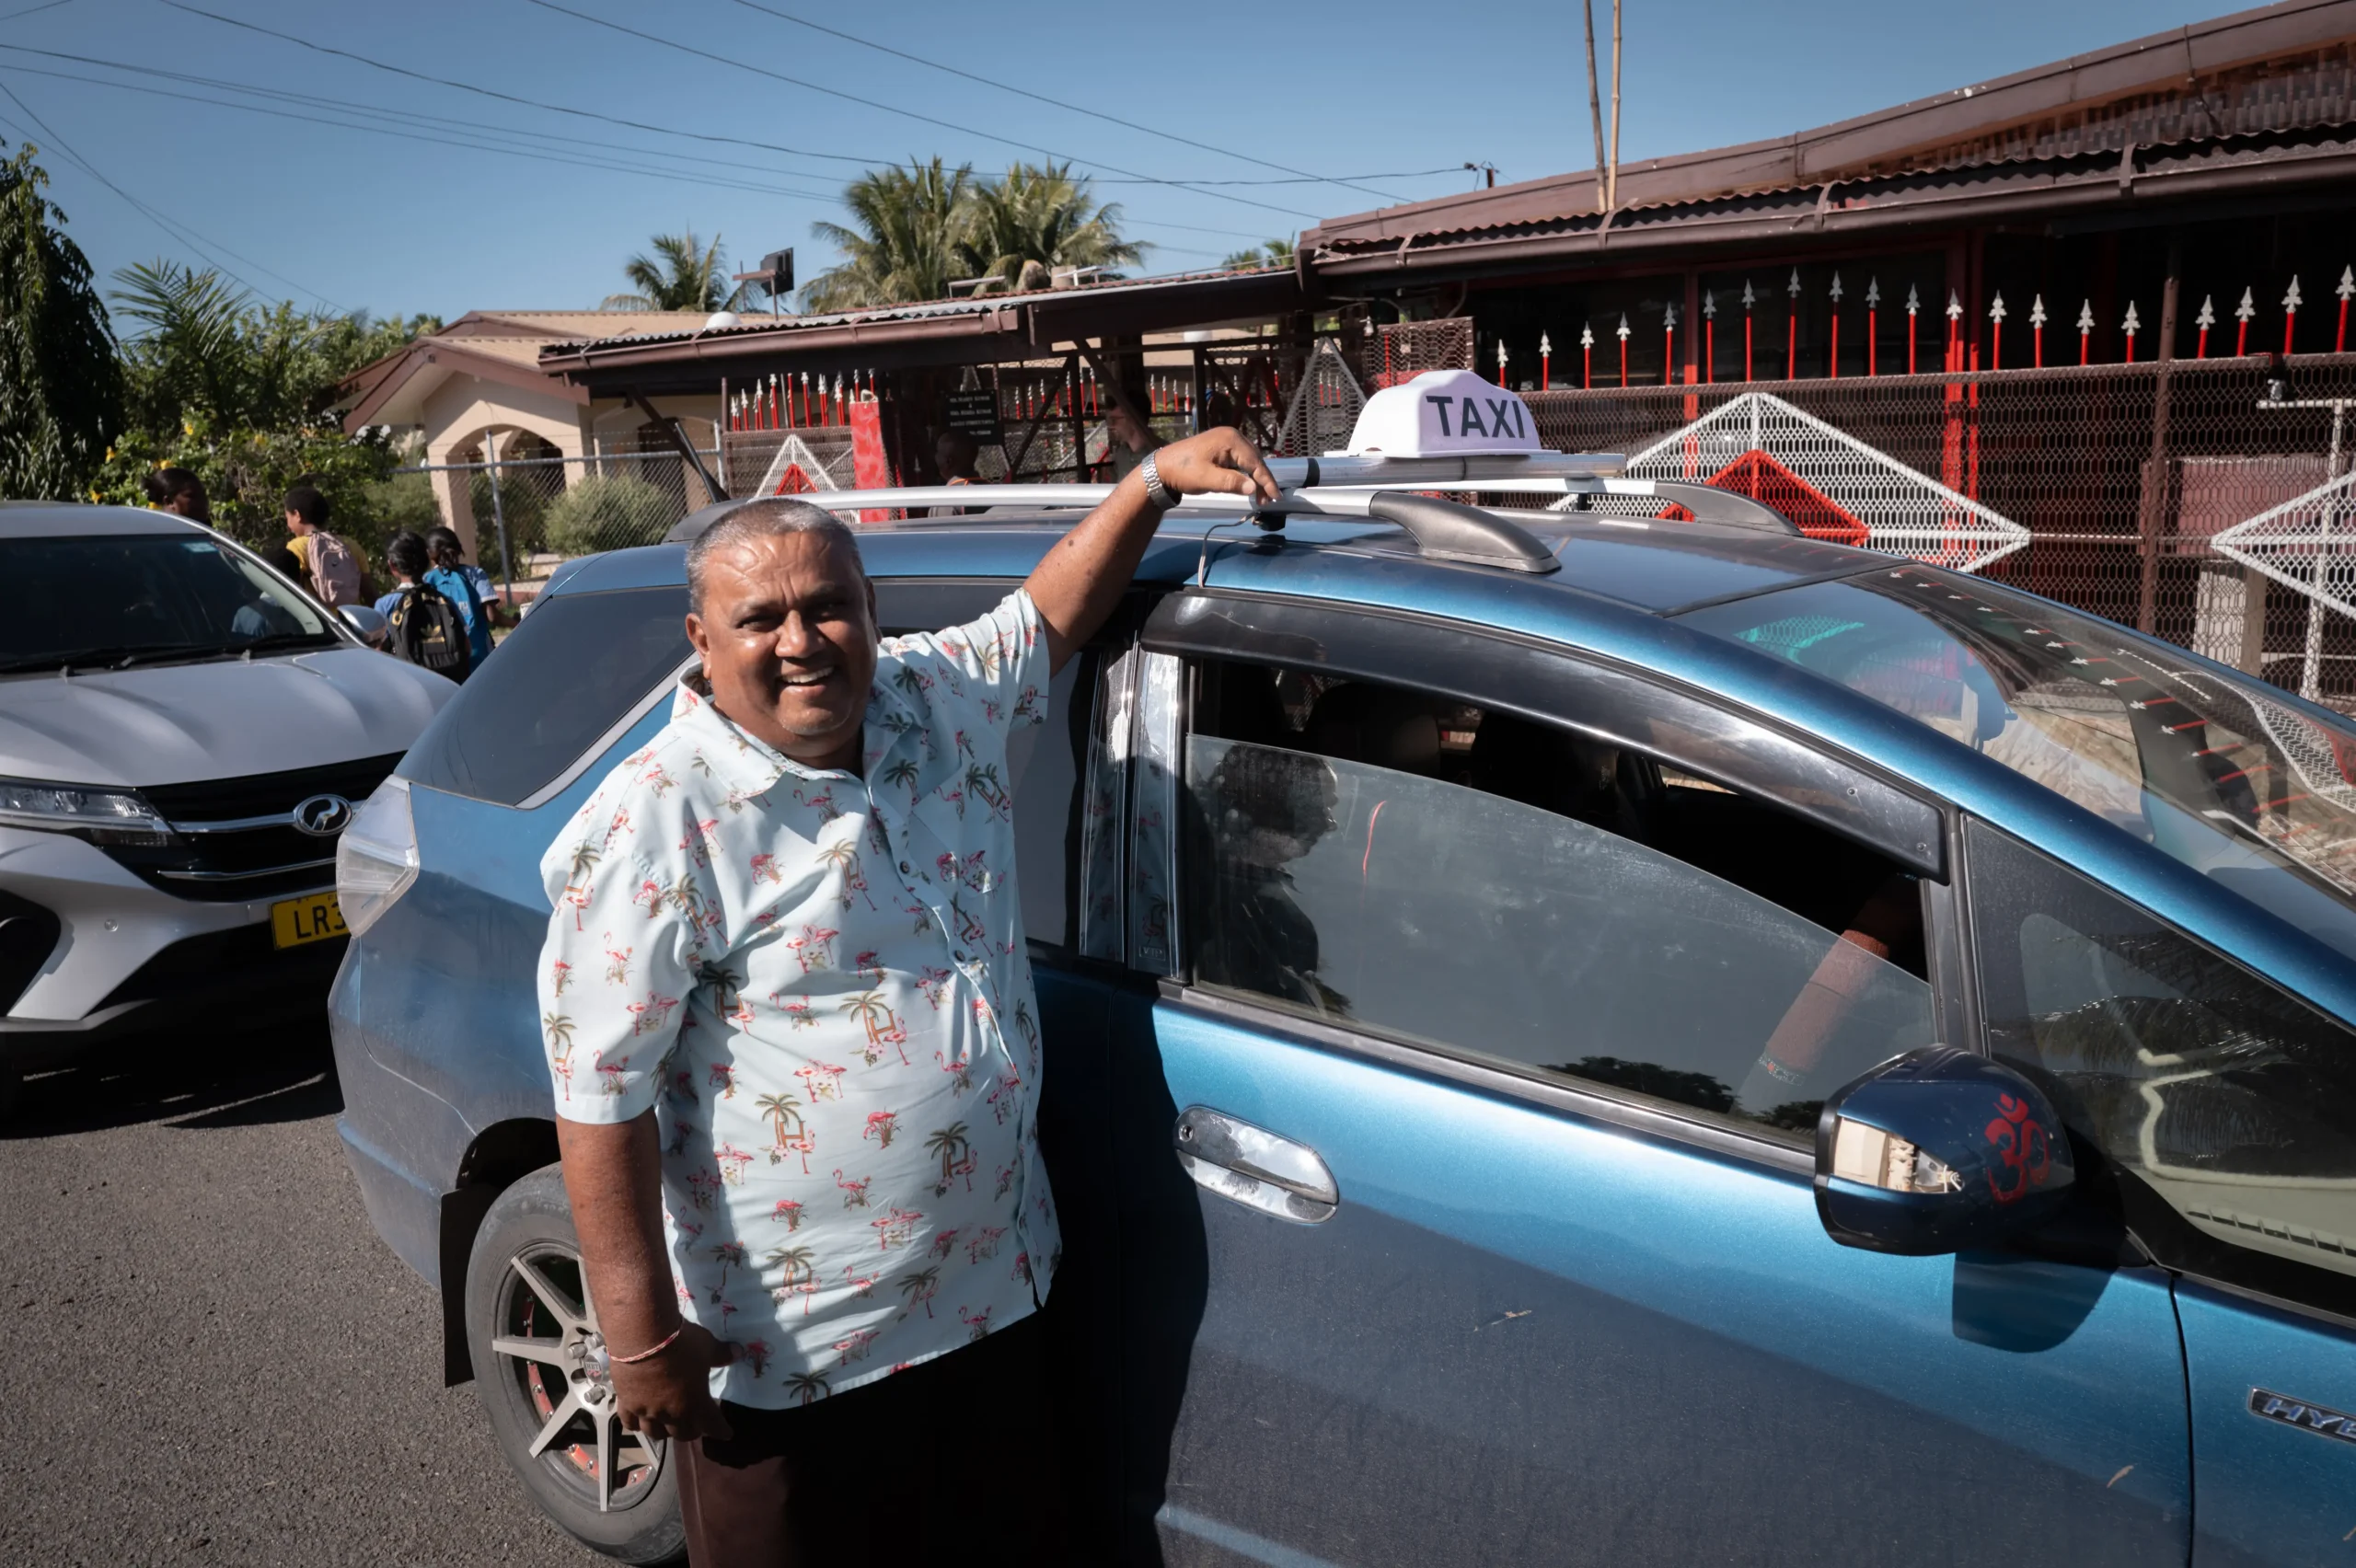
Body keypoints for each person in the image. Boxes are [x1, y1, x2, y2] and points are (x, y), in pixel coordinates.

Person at [537, 427, 1279, 1565]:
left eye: (826, 607)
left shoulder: (933, 699)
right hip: (797, 1355)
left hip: (993, 1296)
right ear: (702, 640)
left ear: (868, 608)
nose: (800, 642)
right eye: (760, 620)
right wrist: (637, 1335)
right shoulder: (658, 815)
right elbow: (599, 1090)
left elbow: (1045, 618)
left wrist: (1148, 483)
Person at [376, 530, 469, 679]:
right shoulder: (443, 599)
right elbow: (466, 647)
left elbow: (379, 653)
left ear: (392, 565)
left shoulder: (385, 604)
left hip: (411, 684)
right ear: (427, 560)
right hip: (450, 682)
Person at [423, 525, 494, 670]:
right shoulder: (475, 574)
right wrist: (516, 623)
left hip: (444, 657)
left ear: (429, 554)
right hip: (480, 654)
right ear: (458, 547)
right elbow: (492, 616)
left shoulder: (426, 581)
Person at [283, 484, 364, 608]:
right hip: (351, 621)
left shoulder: (296, 547)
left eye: (288, 518)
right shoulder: (350, 545)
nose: (288, 525)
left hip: (321, 623)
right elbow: (368, 590)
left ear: (297, 515)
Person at [1103, 392, 1161, 482]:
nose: (1110, 426)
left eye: (1113, 420)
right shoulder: (1121, 454)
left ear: (1132, 419)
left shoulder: (1162, 454)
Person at [142, 467, 212, 524]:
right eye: (191, 496)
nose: (202, 500)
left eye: (203, 494)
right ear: (169, 501)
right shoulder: (156, 536)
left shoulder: (212, 536)